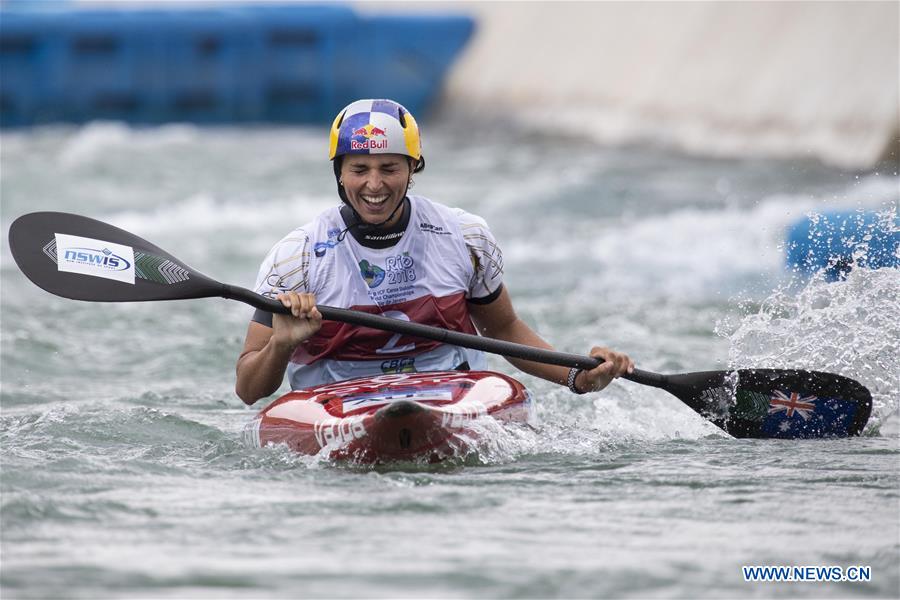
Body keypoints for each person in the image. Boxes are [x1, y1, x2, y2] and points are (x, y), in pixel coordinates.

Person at [235, 99, 633, 405]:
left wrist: (578, 376)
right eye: (359, 170)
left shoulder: (463, 236)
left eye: (389, 168)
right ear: (339, 173)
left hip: (449, 395)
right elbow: (249, 390)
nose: (374, 185)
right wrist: (282, 345)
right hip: (337, 401)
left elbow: (504, 330)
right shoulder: (297, 258)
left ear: (413, 169)